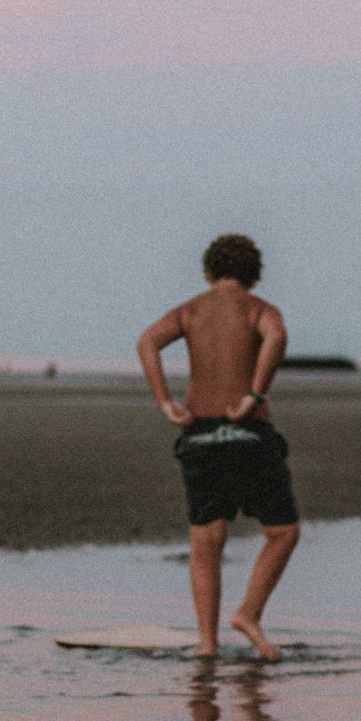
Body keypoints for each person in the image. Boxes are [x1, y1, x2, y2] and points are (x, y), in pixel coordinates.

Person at [136, 234, 300, 661]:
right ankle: (248, 613)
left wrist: (165, 402)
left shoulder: (191, 310)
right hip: (246, 431)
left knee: (206, 543)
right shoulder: (258, 308)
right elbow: (277, 337)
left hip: (200, 435)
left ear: (209, 272)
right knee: (282, 532)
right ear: (253, 275)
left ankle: (207, 645)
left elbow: (147, 342)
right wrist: (255, 394)